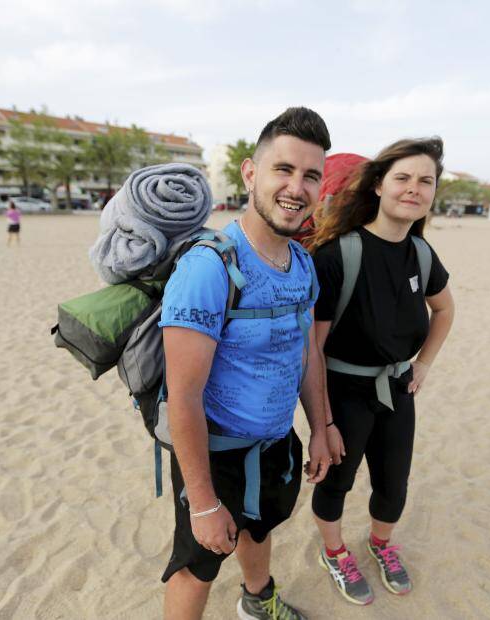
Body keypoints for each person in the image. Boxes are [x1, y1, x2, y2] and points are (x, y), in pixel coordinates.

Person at [159, 107, 333, 620]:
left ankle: (258, 601)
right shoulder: (209, 267)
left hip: (277, 441)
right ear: (250, 173)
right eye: (283, 169)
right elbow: (183, 395)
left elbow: (306, 352)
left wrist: (320, 426)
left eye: (310, 175)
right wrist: (205, 501)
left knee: (259, 528)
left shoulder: (302, 263)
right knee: (198, 563)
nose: (296, 188)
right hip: (214, 451)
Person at [306, 138, 455, 605]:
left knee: (394, 484)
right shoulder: (337, 256)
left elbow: (445, 311)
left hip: (397, 387)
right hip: (343, 390)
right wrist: (322, 422)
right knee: (337, 481)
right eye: (403, 178)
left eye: (425, 181)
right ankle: (335, 552)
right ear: (377, 186)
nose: (414, 188)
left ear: (433, 193)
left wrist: (424, 363)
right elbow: (313, 347)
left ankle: (381, 544)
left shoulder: (422, 254)